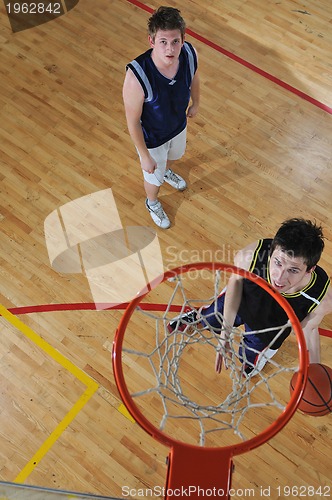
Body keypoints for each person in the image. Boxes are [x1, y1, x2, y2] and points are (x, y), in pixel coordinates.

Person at [168, 218, 332, 375]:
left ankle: (252, 363)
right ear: (271, 252)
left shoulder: (321, 297)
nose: (279, 277)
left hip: (268, 328)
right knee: (210, 317)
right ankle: (197, 317)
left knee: (250, 355)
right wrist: (225, 336)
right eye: (278, 263)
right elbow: (235, 283)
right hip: (241, 301)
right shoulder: (250, 257)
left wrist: (314, 370)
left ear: (310, 269)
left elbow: (309, 328)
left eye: (293, 270)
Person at [123, 6, 200, 229]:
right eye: (163, 42)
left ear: (183, 39)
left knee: (175, 157)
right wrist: (145, 156)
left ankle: (166, 170)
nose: (170, 48)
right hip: (152, 139)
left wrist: (196, 102)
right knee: (153, 179)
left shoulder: (190, 54)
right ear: (151, 41)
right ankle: (152, 201)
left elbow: (194, 77)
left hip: (178, 127)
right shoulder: (136, 76)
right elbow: (132, 121)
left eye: (175, 41)